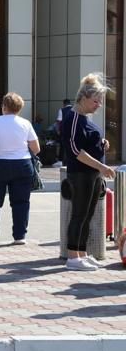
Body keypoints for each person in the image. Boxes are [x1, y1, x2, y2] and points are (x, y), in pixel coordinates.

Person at [60, 73, 115, 270]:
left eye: (100, 101)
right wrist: (101, 166)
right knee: (79, 214)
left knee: (88, 214)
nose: (99, 105)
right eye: (95, 101)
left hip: (92, 174)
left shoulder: (84, 118)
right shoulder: (73, 118)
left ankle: (81, 253)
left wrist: (102, 143)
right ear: (83, 98)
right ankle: (72, 257)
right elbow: (76, 151)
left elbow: (88, 141)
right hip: (81, 174)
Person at [0, 92, 41, 246]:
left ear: (4, 106)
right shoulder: (25, 123)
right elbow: (36, 148)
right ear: (19, 108)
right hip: (22, 165)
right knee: (21, 202)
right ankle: (20, 236)